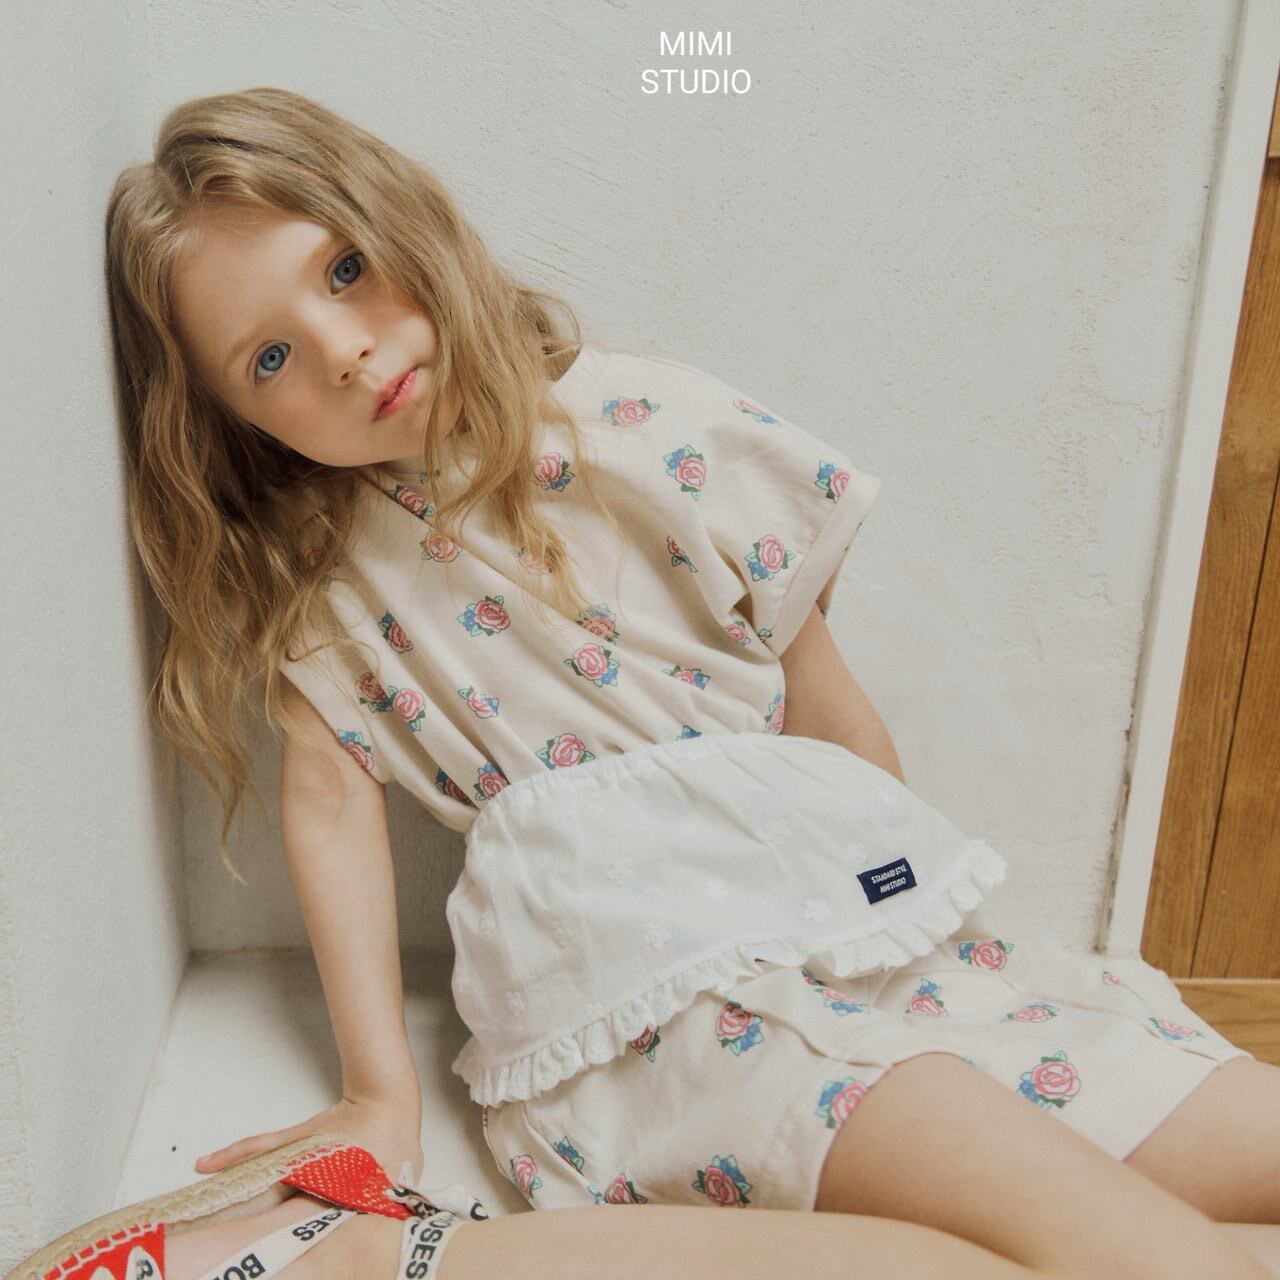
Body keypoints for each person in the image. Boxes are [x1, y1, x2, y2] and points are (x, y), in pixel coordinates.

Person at [17, 84, 1280, 1280]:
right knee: (1111, 1237)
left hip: (840, 938)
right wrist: (377, 1091)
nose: (343, 352)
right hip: (652, 1004)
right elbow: (332, 807)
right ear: (238, 422)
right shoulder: (328, 586)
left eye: (344, 270)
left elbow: (826, 714)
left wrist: (905, 915)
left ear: (398, 215)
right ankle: (355, 1253)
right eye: (269, 360)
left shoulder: (649, 426)